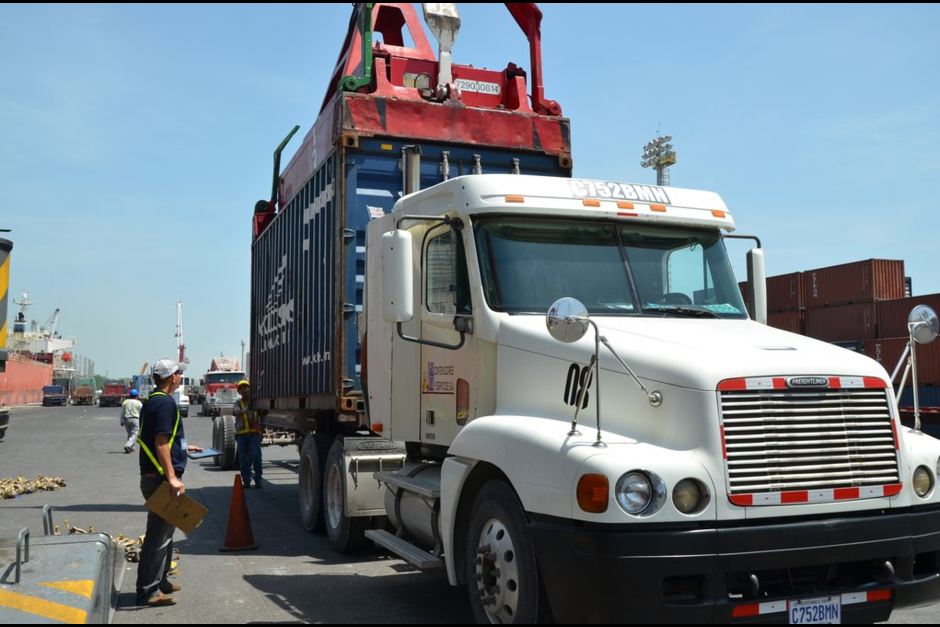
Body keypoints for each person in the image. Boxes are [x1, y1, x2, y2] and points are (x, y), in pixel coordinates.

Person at [135, 358, 203, 608]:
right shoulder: (165, 403)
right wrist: (173, 478)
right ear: (172, 377)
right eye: (178, 373)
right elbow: (160, 443)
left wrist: (185, 449)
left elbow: (168, 440)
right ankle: (147, 591)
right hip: (161, 480)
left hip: (155, 476)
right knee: (158, 536)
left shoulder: (154, 400)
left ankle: (160, 581)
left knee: (167, 533)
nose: (180, 377)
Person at [233, 380, 263, 488]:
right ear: (239, 392)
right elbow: (236, 411)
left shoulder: (256, 402)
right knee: (244, 458)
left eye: (246, 387)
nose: (244, 390)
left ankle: (258, 479)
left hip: (254, 434)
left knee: (255, 456)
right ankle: (246, 480)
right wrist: (244, 410)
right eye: (242, 389)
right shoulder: (238, 403)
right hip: (242, 435)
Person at [120, 388, 143, 453]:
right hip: (135, 419)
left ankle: (131, 448)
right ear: (136, 395)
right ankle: (128, 445)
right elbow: (142, 411)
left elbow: (122, 412)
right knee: (134, 434)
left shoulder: (125, 402)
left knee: (130, 434)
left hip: (127, 420)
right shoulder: (138, 402)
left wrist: (121, 421)